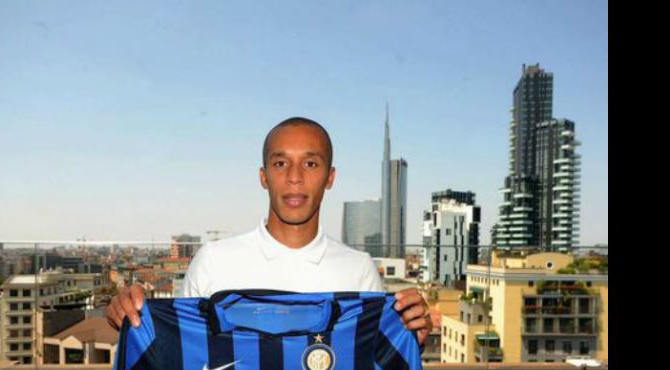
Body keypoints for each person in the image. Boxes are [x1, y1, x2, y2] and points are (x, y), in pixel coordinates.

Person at [106, 117, 435, 345]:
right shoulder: (213, 261)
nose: (295, 177)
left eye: (310, 164)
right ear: (264, 177)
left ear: (330, 178)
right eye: (280, 163)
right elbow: (179, 356)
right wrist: (130, 317)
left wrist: (411, 339)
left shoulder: (358, 270)